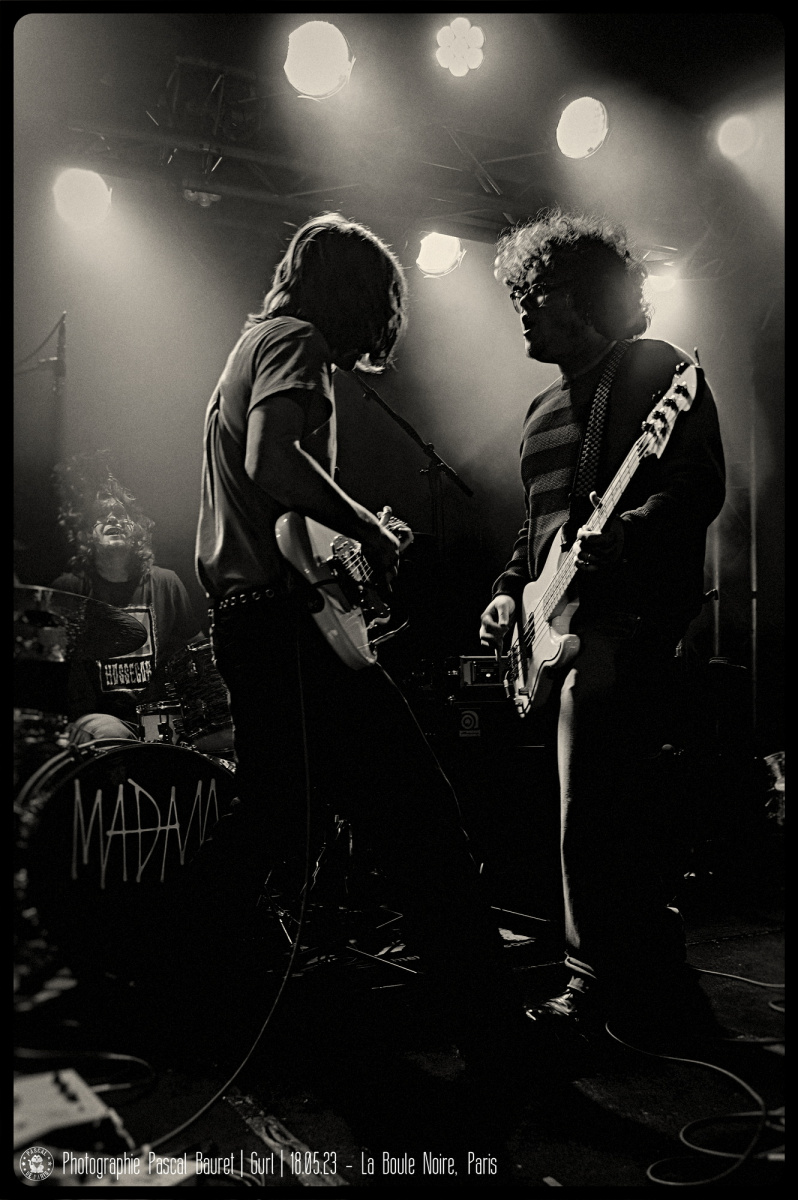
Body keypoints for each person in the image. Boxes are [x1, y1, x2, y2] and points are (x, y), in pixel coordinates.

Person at [195, 212, 528, 1068]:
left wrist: (342, 538)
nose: (387, 324)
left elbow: (280, 513)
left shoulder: (256, 346)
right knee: (420, 813)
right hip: (285, 629)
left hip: (253, 622)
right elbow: (273, 461)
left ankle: (185, 985)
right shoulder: (296, 340)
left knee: (275, 819)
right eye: (384, 303)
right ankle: (489, 1026)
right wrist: (370, 532)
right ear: (357, 296)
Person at [479, 208, 727, 1045]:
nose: (524, 307)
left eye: (541, 291)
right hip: (555, 624)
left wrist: (630, 532)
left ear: (589, 294)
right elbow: (538, 531)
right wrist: (509, 592)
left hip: (630, 617)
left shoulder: (655, 369)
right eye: (521, 293)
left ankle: (590, 983)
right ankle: (652, 965)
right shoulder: (540, 411)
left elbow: (697, 486)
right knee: (600, 803)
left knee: (589, 801)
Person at [52, 452, 203, 743]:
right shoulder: (69, 589)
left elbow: (197, 655)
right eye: (101, 516)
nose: (113, 520)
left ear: (137, 530)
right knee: (113, 733)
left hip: (159, 718)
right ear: (86, 534)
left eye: (122, 516)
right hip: (96, 718)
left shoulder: (166, 583)